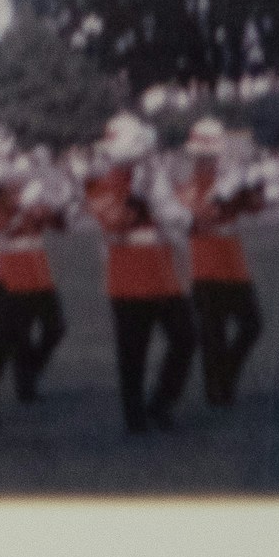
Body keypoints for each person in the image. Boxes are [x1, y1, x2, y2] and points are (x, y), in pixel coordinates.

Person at [81, 114, 197, 431]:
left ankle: (161, 401)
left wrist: (171, 207)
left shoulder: (154, 174)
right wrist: (141, 194)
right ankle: (135, 417)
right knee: (133, 352)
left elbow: (177, 212)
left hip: (161, 266)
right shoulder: (99, 181)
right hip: (127, 269)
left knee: (186, 338)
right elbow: (115, 221)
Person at [0, 138, 70, 406]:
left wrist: (54, 206)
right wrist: (20, 209)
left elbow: (60, 224)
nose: (18, 180)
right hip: (9, 270)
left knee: (55, 328)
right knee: (14, 335)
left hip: (38, 270)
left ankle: (26, 373)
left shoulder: (27, 194)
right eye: (12, 177)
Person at [181, 118, 270, 408]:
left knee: (252, 325)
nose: (208, 161)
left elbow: (257, 207)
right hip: (203, 263)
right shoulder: (187, 184)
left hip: (233, 262)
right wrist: (222, 193)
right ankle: (216, 390)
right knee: (212, 333)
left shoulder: (227, 177)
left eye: (212, 155)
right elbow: (194, 217)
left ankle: (225, 377)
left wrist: (254, 184)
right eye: (203, 156)